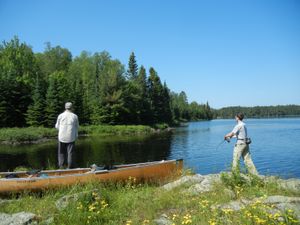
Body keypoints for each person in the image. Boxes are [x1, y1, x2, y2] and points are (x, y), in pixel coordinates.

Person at [55, 102, 79, 169]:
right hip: (71, 137)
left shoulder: (60, 115)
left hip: (61, 137)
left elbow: (57, 126)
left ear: (65, 107)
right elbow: (77, 126)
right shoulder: (75, 116)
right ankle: (70, 167)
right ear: (72, 107)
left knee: (61, 152)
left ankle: (61, 166)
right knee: (70, 153)